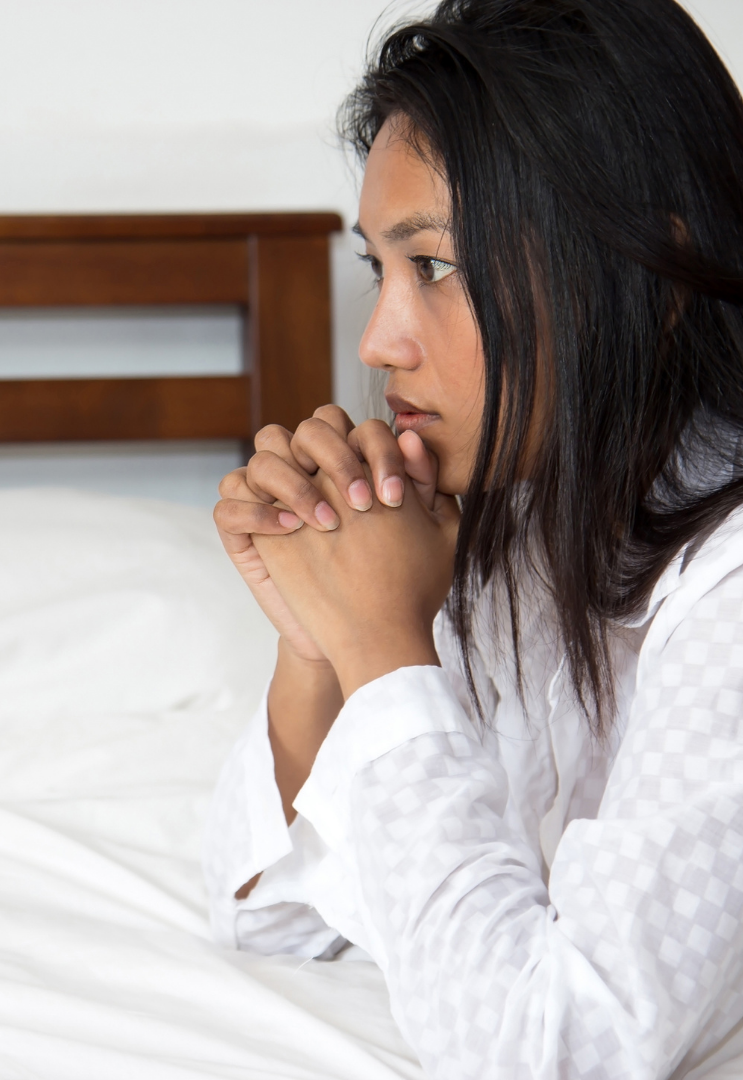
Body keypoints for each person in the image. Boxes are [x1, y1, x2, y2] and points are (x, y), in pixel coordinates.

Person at [204, 1, 743, 1077]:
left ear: (651, 278)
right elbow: (272, 915)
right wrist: (321, 643)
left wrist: (385, 656)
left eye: (435, 268)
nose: (377, 340)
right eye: (380, 269)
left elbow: (554, 1052)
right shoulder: (521, 517)